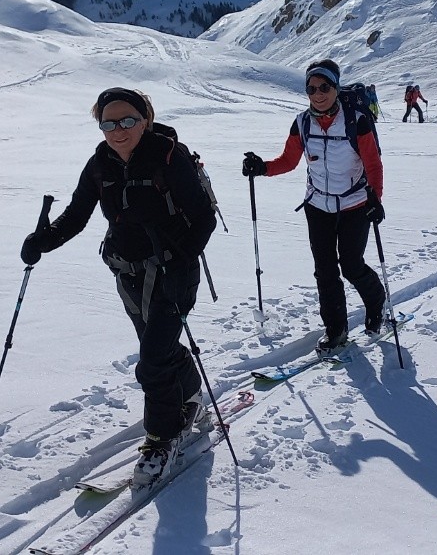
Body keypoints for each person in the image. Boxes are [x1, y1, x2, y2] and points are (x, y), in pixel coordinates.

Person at [20, 87, 217, 487]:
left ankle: (162, 438)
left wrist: (183, 261)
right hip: (126, 272)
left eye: (127, 120)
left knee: (151, 359)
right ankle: (191, 397)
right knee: (159, 349)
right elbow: (77, 214)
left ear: (145, 119)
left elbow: (203, 217)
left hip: (173, 271)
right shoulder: (100, 164)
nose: (118, 130)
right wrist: (43, 240)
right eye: (108, 122)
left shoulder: (169, 157)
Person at [242, 59, 387, 354]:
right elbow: (288, 161)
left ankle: (376, 301)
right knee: (324, 270)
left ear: (335, 87)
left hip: (354, 204)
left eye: (324, 87)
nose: (318, 94)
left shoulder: (355, 120)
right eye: (311, 88)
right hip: (317, 205)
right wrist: (262, 168)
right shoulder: (302, 122)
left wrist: (375, 198)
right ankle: (336, 329)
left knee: (351, 265)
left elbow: (372, 163)